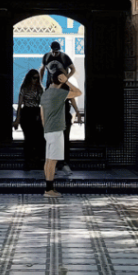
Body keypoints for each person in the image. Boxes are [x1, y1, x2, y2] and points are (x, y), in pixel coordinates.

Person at [41, 69, 82, 197]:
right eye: (63, 77)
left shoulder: (45, 93)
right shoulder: (59, 93)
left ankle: (48, 188)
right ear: (60, 79)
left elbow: (42, 114)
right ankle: (49, 190)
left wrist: (46, 127)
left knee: (48, 160)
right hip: (56, 130)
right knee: (53, 161)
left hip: (48, 130)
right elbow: (78, 92)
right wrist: (67, 82)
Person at [41, 41, 77, 173]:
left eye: (57, 50)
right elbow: (42, 69)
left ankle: (62, 162)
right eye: (54, 51)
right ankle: (53, 163)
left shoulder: (64, 57)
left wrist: (66, 79)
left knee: (63, 135)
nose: (55, 53)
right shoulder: (46, 57)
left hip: (61, 101)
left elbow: (73, 69)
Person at [13, 69, 44, 172]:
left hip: (36, 112)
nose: (35, 80)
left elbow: (42, 103)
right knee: (28, 138)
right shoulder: (24, 88)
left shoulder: (39, 89)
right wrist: (17, 119)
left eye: (37, 78)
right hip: (26, 112)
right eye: (34, 78)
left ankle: (37, 160)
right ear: (29, 78)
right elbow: (20, 104)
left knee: (38, 138)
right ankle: (27, 162)